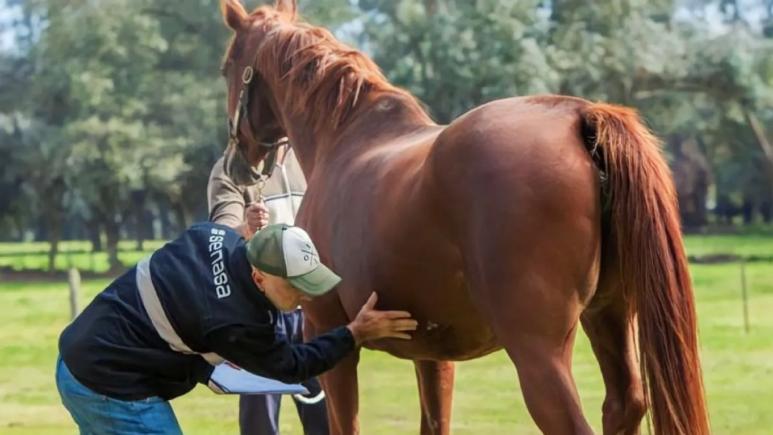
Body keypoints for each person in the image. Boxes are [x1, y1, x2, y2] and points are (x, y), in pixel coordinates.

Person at [56, 221, 418, 434]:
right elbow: (293, 366)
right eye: (295, 287)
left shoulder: (212, 234)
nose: (305, 298)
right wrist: (355, 333)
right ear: (259, 276)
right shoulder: (236, 321)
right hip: (106, 382)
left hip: (83, 354)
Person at [208, 144, 329, 434]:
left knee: (325, 415)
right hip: (260, 315)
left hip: (313, 310)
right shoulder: (231, 168)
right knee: (259, 419)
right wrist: (244, 228)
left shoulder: (314, 156)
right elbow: (221, 233)